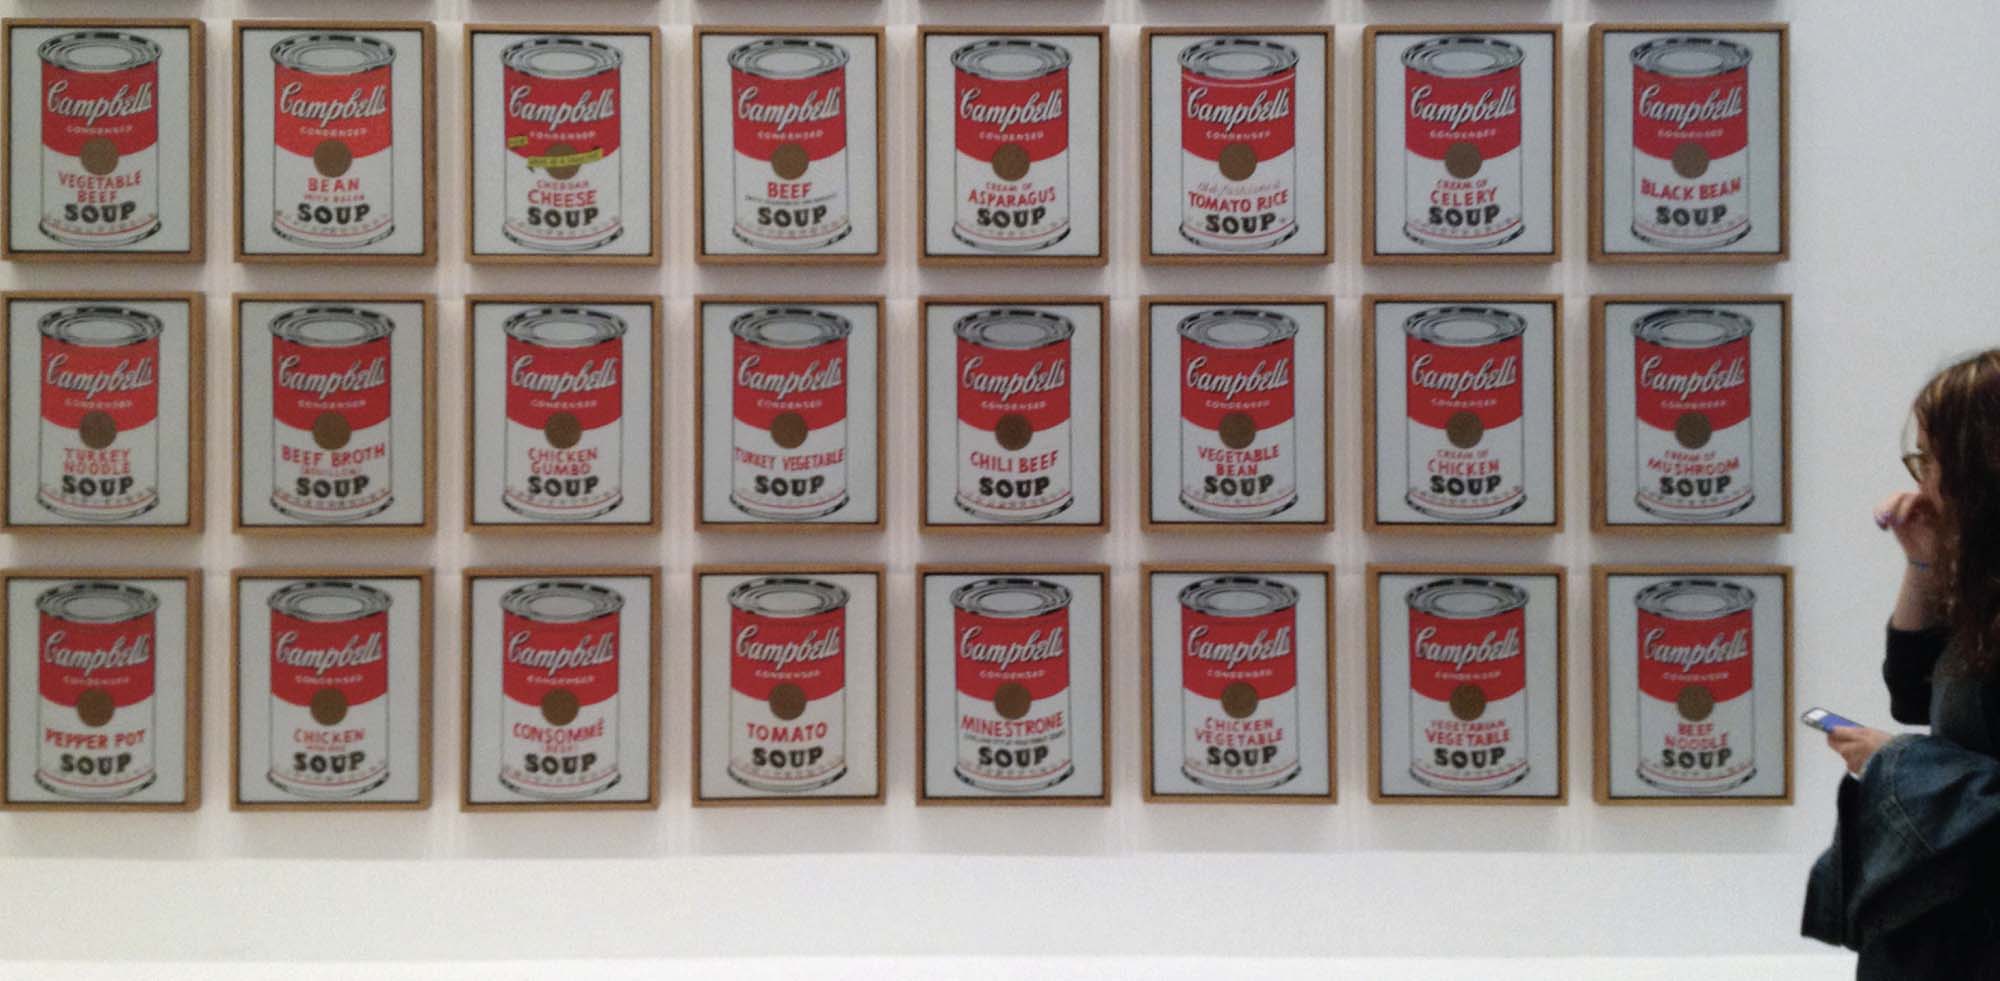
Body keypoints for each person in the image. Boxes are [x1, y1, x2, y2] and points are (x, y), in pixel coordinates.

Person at [1804, 350, 2000, 977]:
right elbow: (1912, 699)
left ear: (1981, 464)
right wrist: (1922, 566)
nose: (1920, 484)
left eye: (1930, 458)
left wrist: (1897, 762)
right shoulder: (1985, 585)